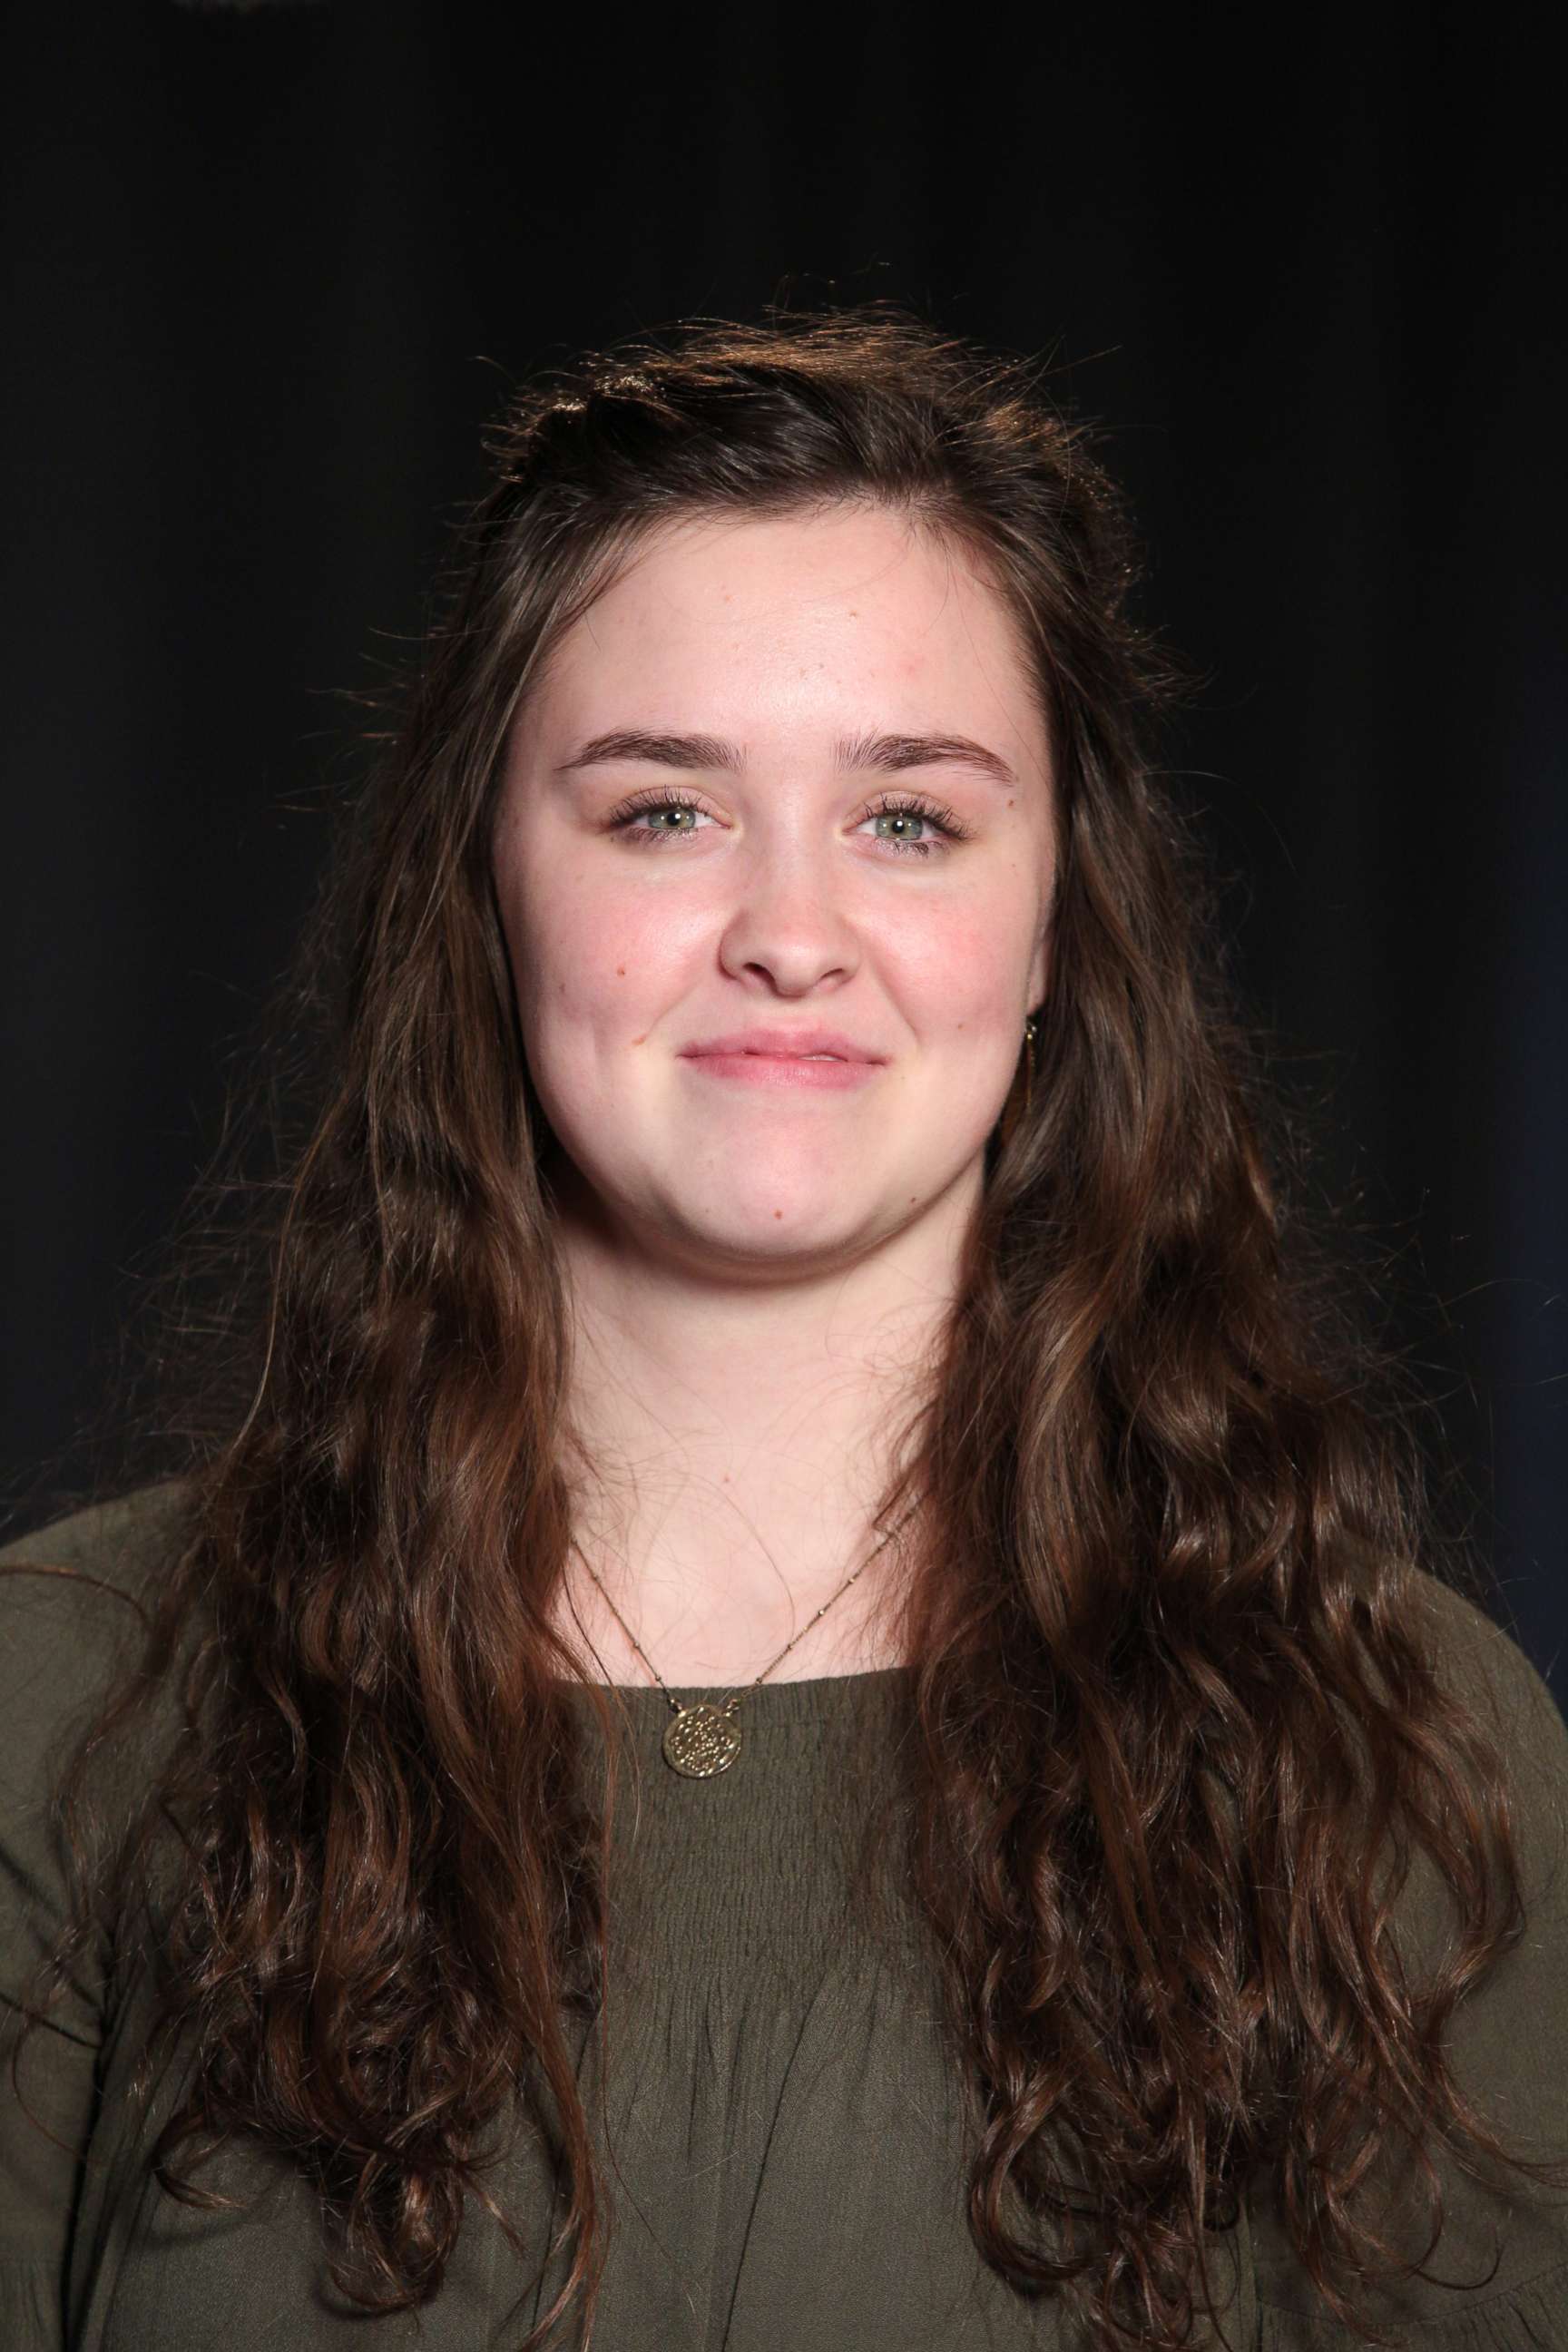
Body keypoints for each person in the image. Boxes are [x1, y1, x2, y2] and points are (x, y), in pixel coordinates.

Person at [3, 305, 1565, 2352]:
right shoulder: (65, 1704)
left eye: (909, 816)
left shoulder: (1400, 1755)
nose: (791, 931)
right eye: (665, 808)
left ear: (1060, 932)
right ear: (484, 889)